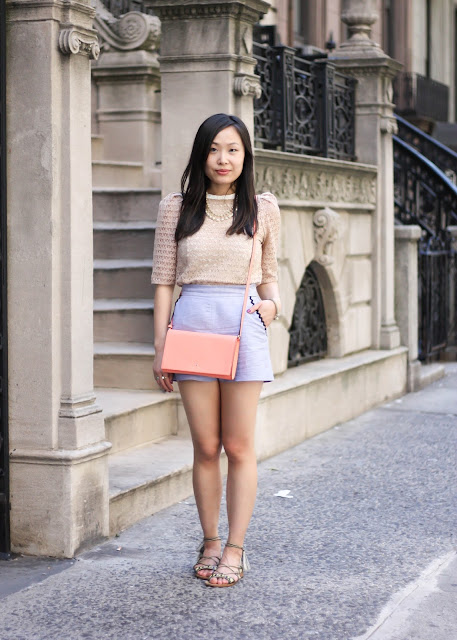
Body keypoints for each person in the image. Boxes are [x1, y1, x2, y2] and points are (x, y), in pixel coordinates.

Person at [151, 113, 281, 587]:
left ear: (245, 156)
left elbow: (270, 273)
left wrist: (272, 304)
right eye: (213, 149)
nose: (222, 159)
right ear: (201, 154)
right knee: (206, 446)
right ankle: (209, 540)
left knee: (239, 446)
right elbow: (164, 281)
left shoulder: (263, 208)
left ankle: (235, 548)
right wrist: (161, 347)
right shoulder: (176, 208)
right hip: (192, 324)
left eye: (232, 149)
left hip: (244, 325)